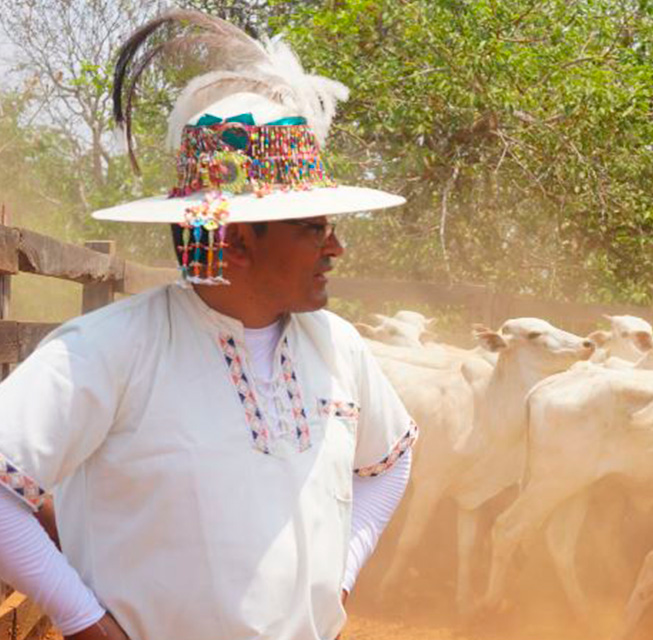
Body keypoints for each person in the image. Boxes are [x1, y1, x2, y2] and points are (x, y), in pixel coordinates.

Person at [0, 11, 416, 640]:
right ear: (240, 242)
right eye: (315, 228)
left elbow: (392, 460)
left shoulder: (338, 348)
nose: (336, 249)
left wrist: (341, 571)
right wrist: (82, 619)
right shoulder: (113, 349)